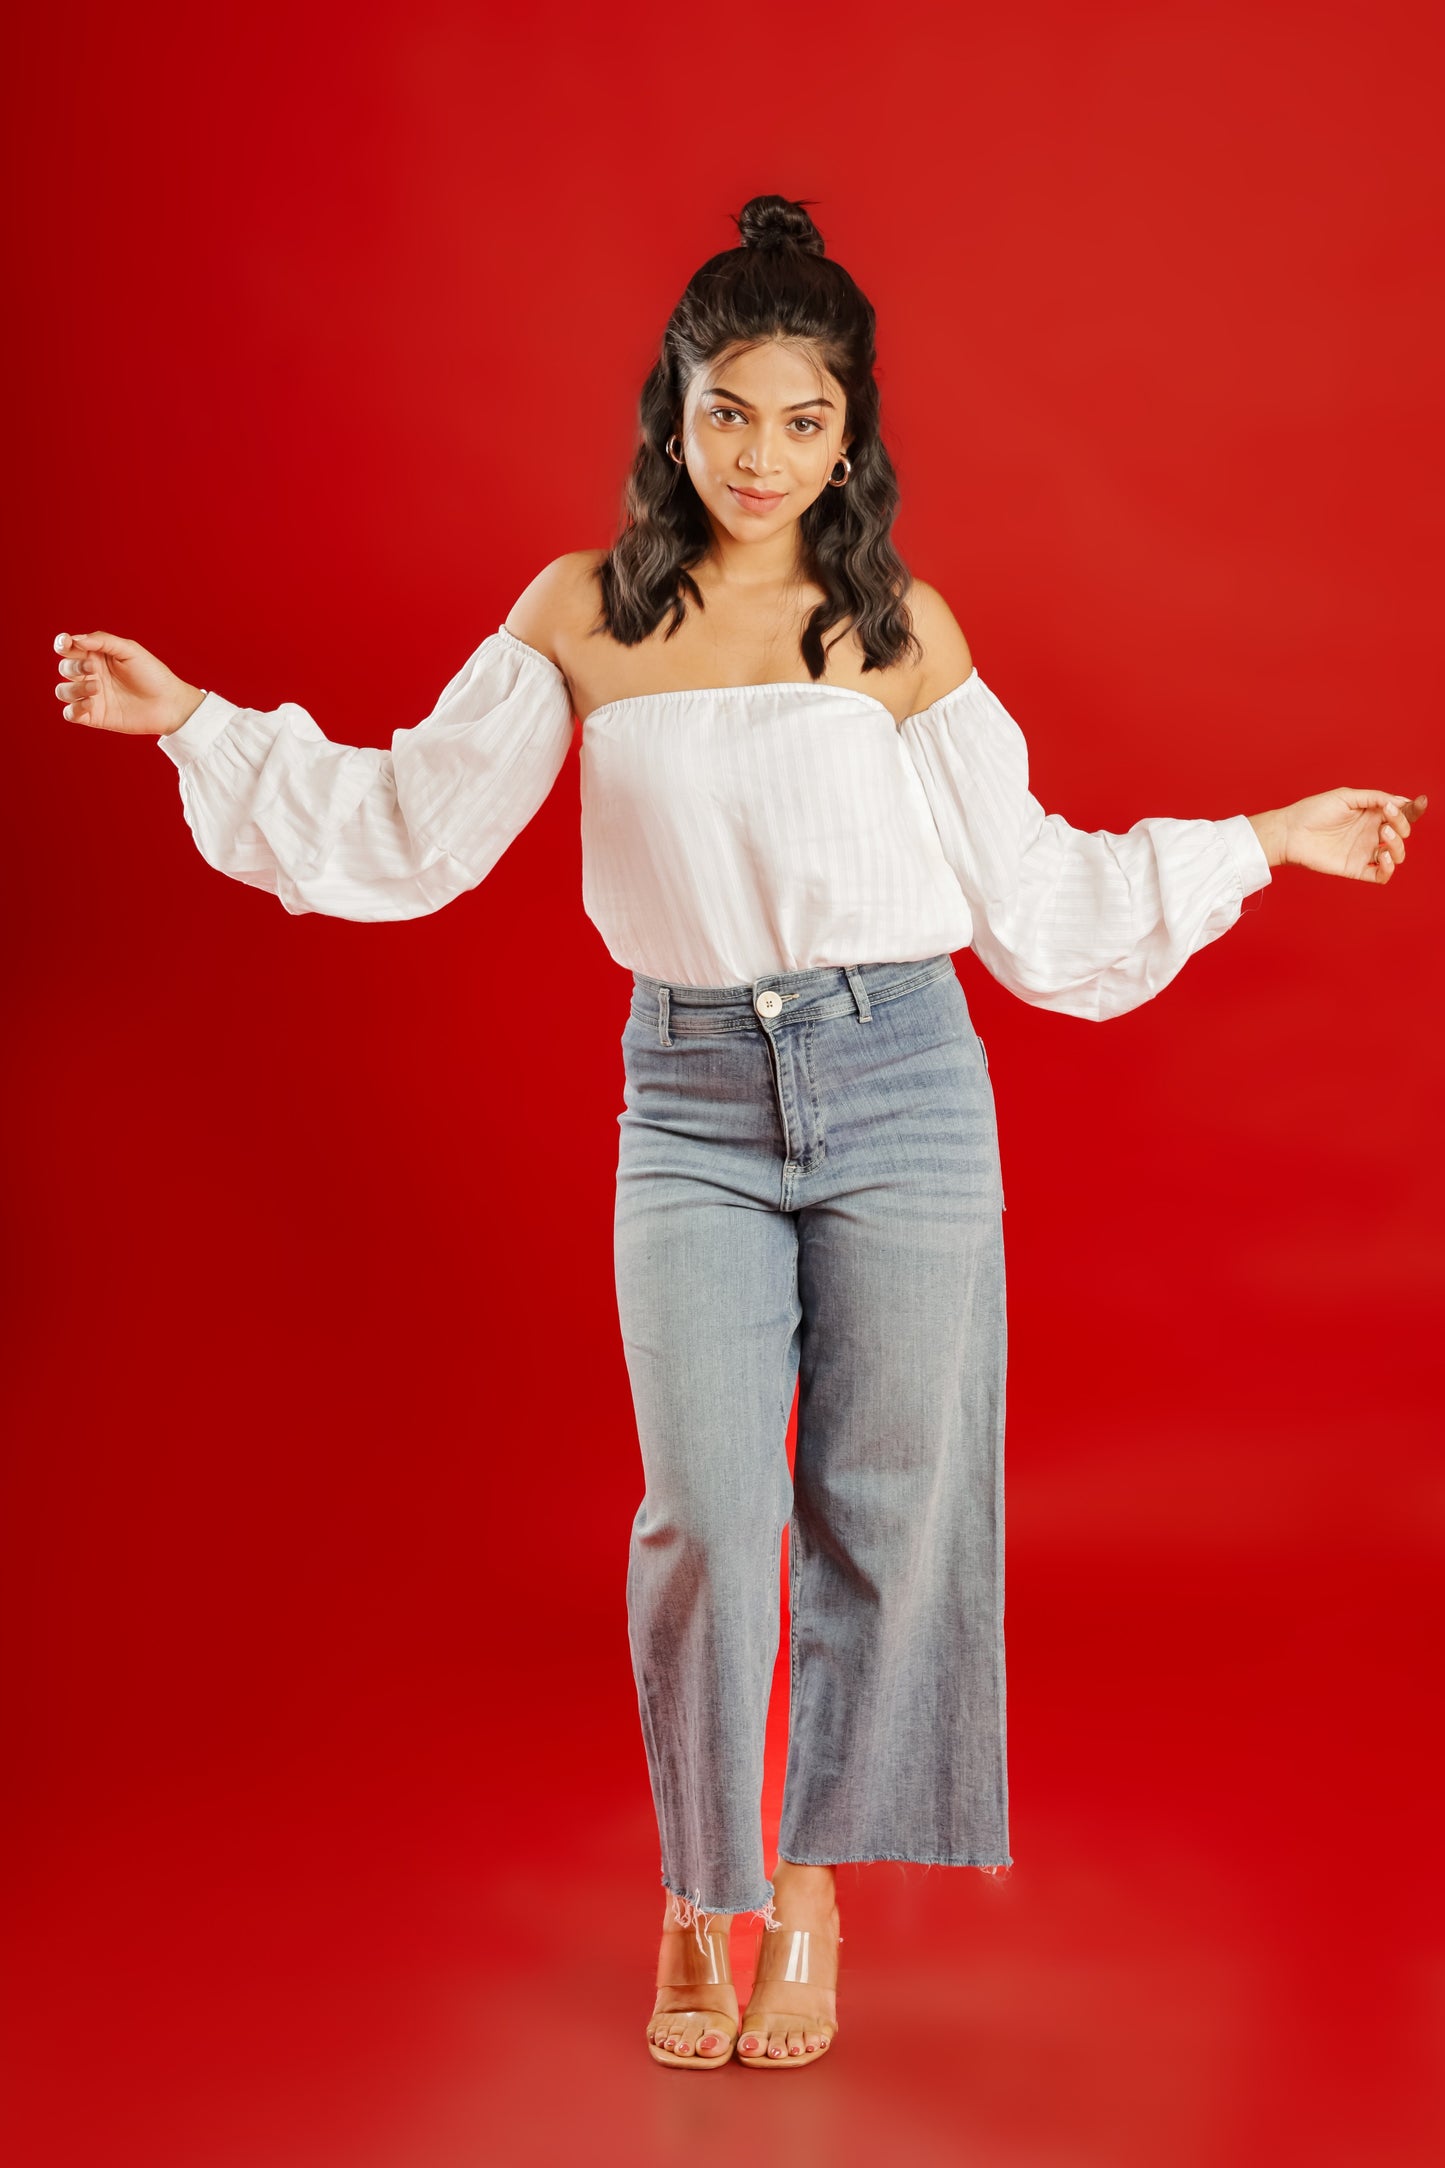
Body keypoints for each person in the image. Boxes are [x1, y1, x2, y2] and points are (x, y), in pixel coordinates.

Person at [50, 193, 1425, 2075]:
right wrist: (190, 719)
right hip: (687, 1095)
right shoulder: (583, 615)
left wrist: (1257, 839)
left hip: (903, 1083)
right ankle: (698, 1888)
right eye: (725, 415)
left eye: (800, 421)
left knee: (885, 1502)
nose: (760, 457)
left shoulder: (897, 631)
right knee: (703, 1514)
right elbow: (404, 834)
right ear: (670, 416)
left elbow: (1033, 894)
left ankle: (804, 1891)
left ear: (847, 434)